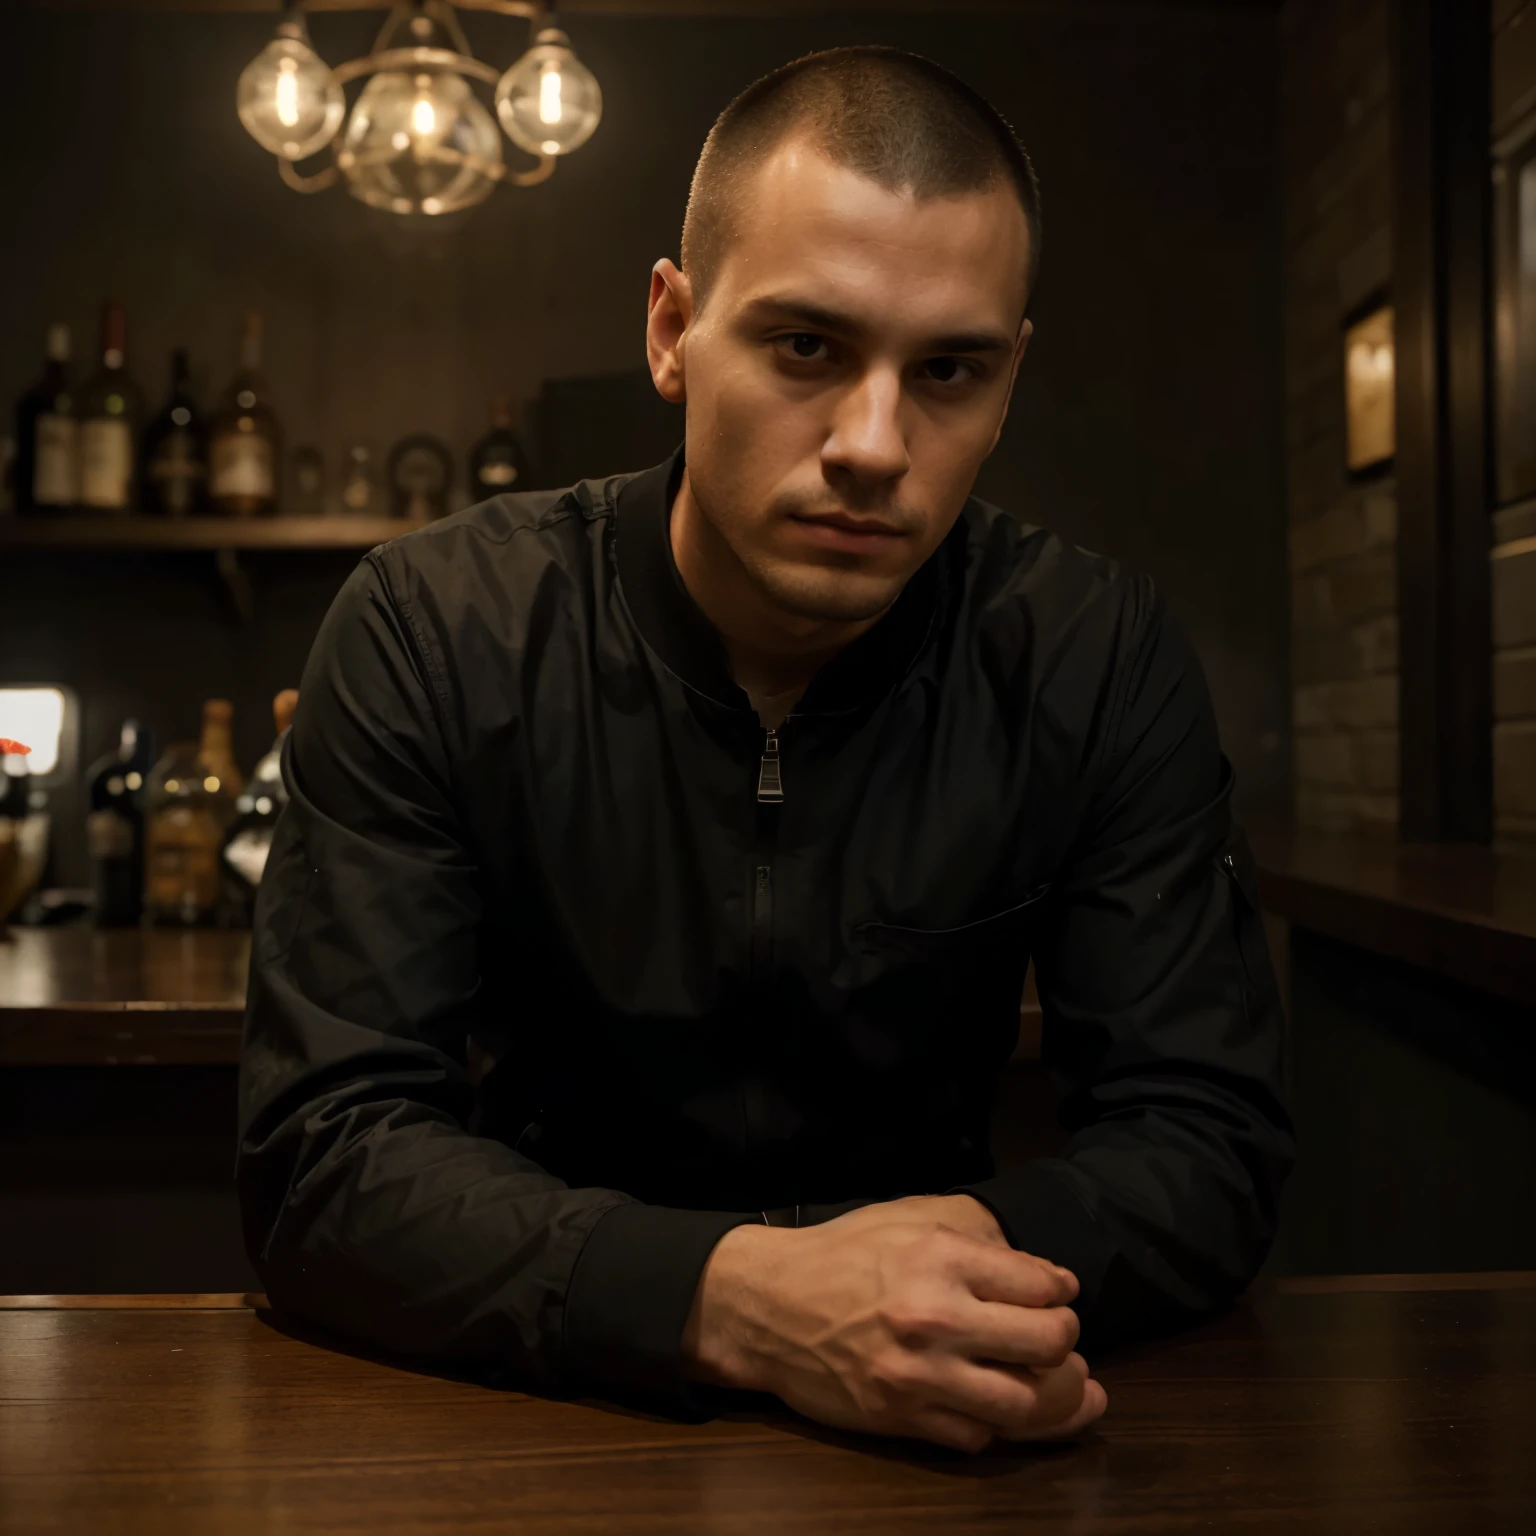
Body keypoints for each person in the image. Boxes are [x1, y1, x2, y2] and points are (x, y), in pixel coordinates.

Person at [238, 46, 1292, 1454]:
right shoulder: (440, 626)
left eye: (950, 371)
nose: (873, 442)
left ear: (1013, 376)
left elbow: (1208, 1142)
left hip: (944, 1410)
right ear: (673, 330)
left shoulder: (1090, 655)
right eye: (807, 347)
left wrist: (933, 1285)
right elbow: (323, 1160)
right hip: (530, 1410)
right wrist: (741, 1300)